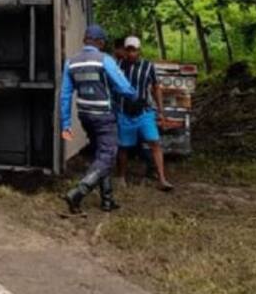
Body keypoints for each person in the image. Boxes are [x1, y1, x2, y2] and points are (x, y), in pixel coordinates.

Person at [59, 23, 138, 214]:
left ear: (85, 40)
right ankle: (78, 192)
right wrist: (134, 95)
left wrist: (66, 123)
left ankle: (107, 200)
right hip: (104, 117)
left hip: (85, 116)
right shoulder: (105, 60)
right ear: (100, 42)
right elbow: (123, 86)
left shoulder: (71, 62)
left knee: (101, 154)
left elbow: (65, 95)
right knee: (107, 155)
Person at [116, 35, 173, 191]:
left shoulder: (148, 67)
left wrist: (161, 111)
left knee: (154, 142)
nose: (131, 53)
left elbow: (155, 87)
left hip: (144, 112)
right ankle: (121, 177)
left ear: (139, 50)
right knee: (123, 146)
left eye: (133, 50)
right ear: (125, 51)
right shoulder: (118, 66)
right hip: (124, 112)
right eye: (128, 50)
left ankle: (162, 179)